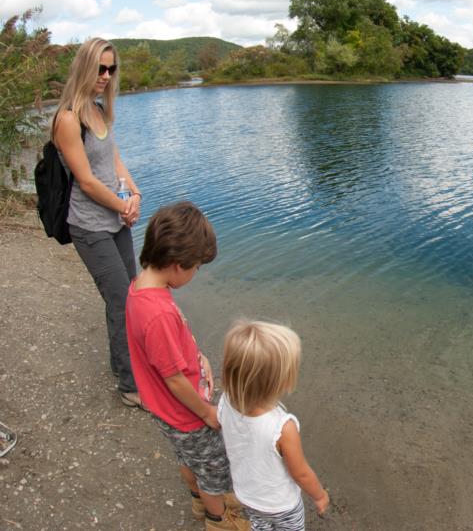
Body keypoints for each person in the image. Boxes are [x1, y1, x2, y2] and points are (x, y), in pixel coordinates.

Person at [125, 201, 248, 531]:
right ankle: (218, 518)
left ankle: (197, 498)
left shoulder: (141, 288)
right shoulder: (158, 314)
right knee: (213, 469)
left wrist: (198, 356)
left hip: (165, 411)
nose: (196, 274)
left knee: (188, 459)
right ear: (178, 265)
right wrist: (207, 413)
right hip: (187, 414)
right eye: (196, 267)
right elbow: (174, 379)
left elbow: (167, 345)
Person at [53, 37, 143, 407]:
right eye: (99, 68)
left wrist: (134, 194)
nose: (105, 76)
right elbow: (87, 180)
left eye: (111, 69)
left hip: (115, 219)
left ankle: (127, 364)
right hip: (89, 226)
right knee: (120, 299)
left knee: (134, 294)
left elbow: (114, 163)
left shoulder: (99, 111)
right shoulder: (68, 119)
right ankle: (129, 385)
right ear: (84, 67)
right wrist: (122, 208)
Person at [219, 321, 330, 530]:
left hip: (248, 495)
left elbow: (227, 428)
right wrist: (320, 495)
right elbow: (301, 473)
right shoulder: (281, 427)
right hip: (282, 505)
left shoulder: (226, 401)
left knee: (260, 526)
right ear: (280, 381)